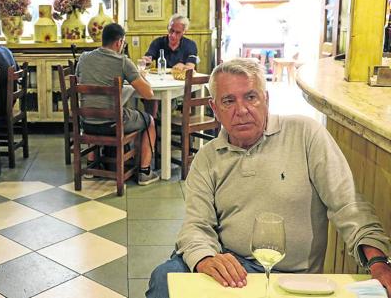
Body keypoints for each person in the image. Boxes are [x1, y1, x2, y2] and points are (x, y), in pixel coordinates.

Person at [146, 58, 391, 298]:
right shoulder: (207, 158)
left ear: (267, 99)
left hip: (291, 276)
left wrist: (378, 261)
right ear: (214, 109)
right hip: (231, 267)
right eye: (228, 101)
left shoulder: (305, 134)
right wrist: (206, 258)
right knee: (163, 277)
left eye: (251, 97)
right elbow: (195, 225)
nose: (241, 110)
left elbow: (348, 204)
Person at [76, 23, 159, 186]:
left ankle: (92, 164)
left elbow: (82, 81)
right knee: (150, 121)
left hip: (86, 123)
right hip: (112, 125)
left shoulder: (84, 57)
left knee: (95, 109)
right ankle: (144, 172)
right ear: (119, 42)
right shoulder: (122, 62)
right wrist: (140, 76)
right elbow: (148, 94)